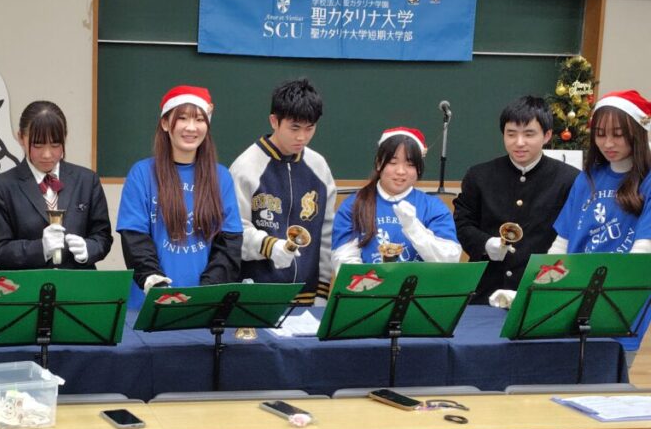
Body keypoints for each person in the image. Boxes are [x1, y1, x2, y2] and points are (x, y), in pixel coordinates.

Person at [117, 85, 242, 307]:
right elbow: (135, 238)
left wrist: (205, 294)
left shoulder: (221, 177)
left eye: (199, 119)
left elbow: (228, 245)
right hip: (148, 304)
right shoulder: (141, 174)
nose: (191, 127)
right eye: (182, 118)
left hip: (203, 306)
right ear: (165, 123)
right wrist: (155, 284)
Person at [453, 96, 579, 304]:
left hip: (540, 292)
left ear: (547, 136)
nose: (519, 143)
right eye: (511, 134)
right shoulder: (479, 176)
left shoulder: (569, 179)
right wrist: (485, 243)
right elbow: (462, 223)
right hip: (485, 293)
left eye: (529, 134)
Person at [229, 78, 336, 305]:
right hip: (257, 296)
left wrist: (322, 291)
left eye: (309, 128)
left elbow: (326, 234)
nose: (301, 137)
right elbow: (234, 231)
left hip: (307, 297)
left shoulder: (319, 167)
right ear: (274, 121)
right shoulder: (245, 167)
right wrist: (268, 246)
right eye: (294, 128)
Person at [0, 100, 112, 270]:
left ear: (65, 137)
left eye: (55, 145)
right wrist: (40, 248)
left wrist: (88, 248)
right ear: (20, 137)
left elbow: (103, 236)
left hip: (77, 283)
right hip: (26, 284)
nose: (47, 154)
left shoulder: (87, 180)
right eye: (38, 145)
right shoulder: (2, 186)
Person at [332, 127, 460, 271]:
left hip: (419, 285)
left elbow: (449, 260)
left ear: (419, 169)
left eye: (410, 165)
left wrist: (413, 227)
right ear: (379, 163)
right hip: (368, 284)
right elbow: (343, 258)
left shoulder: (433, 207)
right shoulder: (353, 205)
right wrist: (371, 280)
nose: (401, 171)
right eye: (393, 163)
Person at [550, 90, 651, 256]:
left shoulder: (647, 181)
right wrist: (549, 270)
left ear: (637, 133)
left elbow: (643, 249)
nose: (608, 143)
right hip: (576, 271)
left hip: (625, 272)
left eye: (618, 134)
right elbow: (562, 242)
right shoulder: (586, 179)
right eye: (600, 134)